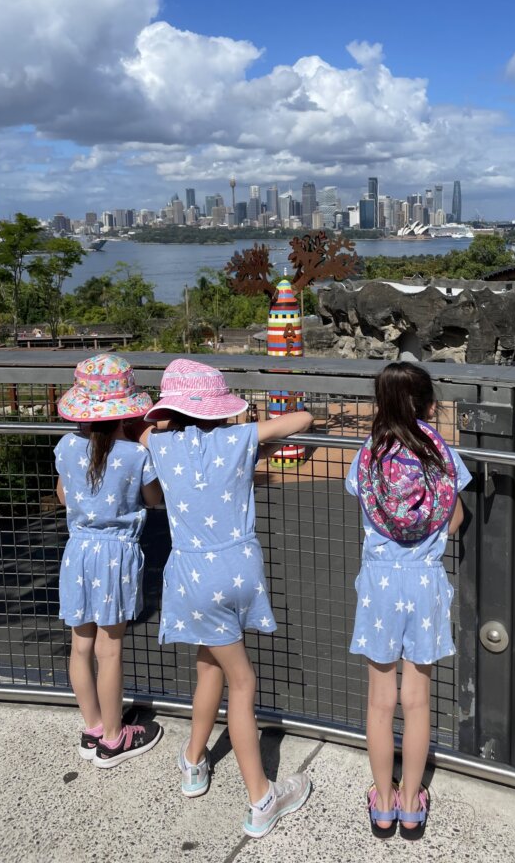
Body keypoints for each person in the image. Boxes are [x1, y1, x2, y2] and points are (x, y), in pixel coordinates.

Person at [141, 358, 314, 838]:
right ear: (218, 407)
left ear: (170, 409)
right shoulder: (238, 439)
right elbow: (302, 421)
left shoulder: (157, 443)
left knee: (223, 668)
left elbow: (153, 496)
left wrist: (156, 427)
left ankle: (201, 765)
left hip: (193, 574)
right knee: (219, 669)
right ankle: (259, 795)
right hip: (238, 568)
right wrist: (247, 423)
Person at [346, 362, 471, 841]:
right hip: (425, 581)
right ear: (430, 405)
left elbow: (367, 508)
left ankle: (381, 803)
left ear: (382, 404)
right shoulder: (441, 454)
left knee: (380, 703)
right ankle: (413, 803)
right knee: (416, 702)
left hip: (379, 582)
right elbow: (455, 517)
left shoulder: (368, 454)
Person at [55, 354, 164, 766]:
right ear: (126, 411)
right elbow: (154, 501)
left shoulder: (65, 446)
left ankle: (94, 727)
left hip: (77, 551)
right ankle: (116, 739)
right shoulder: (135, 455)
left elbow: (65, 496)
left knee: (80, 644)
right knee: (111, 648)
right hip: (115, 555)